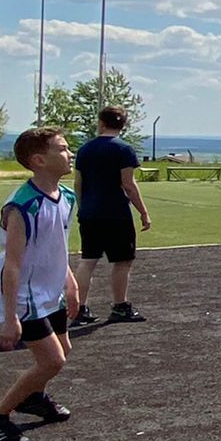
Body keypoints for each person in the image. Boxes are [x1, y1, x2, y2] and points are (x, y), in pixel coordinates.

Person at [0, 128, 80, 441]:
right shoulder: (21, 206)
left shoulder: (66, 197)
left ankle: (33, 396)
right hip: (23, 292)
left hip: (51, 287)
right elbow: (12, 264)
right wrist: (9, 318)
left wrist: (71, 282)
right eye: (62, 149)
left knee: (63, 351)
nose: (70, 154)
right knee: (52, 362)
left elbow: (55, 247)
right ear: (38, 160)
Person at [71, 105, 152, 326]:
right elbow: (129, 184)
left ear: (101, 122)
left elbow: (78, 184)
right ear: (123, 124)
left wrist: (83, 207)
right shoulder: (124, 149)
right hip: (116, 213)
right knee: (123, 261)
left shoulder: (85, 149)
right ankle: (120, 306)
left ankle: (79, 309)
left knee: (88, 260)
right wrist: (143, 212)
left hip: (90, 212)